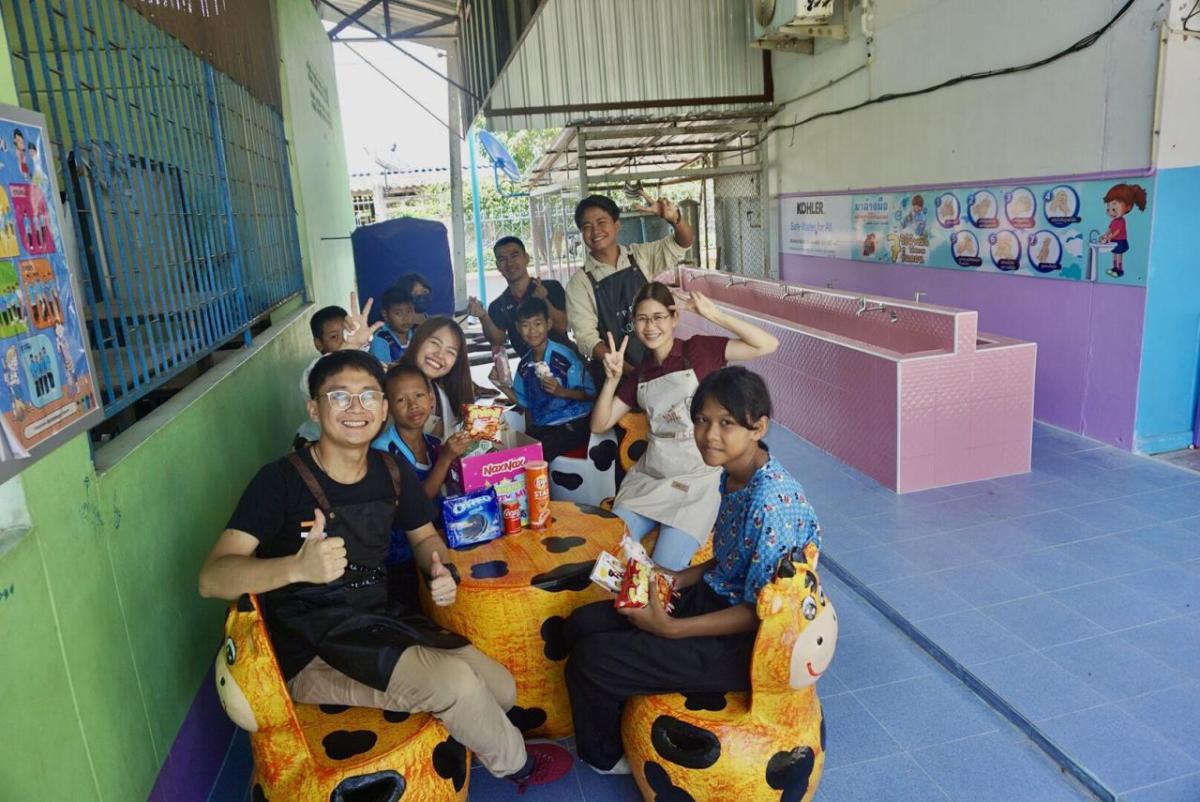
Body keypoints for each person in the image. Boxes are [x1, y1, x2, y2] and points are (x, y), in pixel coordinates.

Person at [199, 350, 572, 790]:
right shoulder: (279, 481)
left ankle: (471, 726)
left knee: (501, 686)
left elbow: (425, 538)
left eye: (368, 396)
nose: (356, 409)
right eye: (340, 396)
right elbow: (212, 578)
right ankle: (519, 767)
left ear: (382, 408)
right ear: (314, 409)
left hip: (374, 620)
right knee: (455, 684)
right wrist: (296, 567)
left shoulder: (391, 472)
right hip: (309, 645)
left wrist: (441, 571)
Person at [564, 366, 821, 775]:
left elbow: (763, 613)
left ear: (758, 427)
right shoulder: (734, 476)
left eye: (726, 423)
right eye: (701, 420)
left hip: (749, 645)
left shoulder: (773, 501)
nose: (709, 434)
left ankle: (607, 758)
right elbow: (736, 559)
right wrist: (675, 577)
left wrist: (669, 629)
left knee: (593, 660)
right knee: (583, 623)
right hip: (717, 599)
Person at [591, 282, 779, 570]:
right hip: (651, 479)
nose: (650, 326)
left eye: (658, 317)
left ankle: (660, 615)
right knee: (610, 548)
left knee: (665, 567)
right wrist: (613, 378)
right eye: (642, 319)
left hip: (698, 482)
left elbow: (768, 344)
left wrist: (714, 314)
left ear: (674, 318)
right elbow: (600, 423)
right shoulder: (641, 373)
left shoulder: (700, 349)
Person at [371, 363, 473, 609]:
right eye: (401, 400)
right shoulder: (384, 451)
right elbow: (417, 502)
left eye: (418, 396)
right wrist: (446, 458)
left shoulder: (431, 442)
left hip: (433, 541)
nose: (413, 405)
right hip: (401, 556)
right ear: (387, 408)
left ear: (431, 399)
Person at [565, 193, 693, 383]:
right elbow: (587, 339)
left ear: (617, 225)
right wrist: (629, 372)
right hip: (616, 377)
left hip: (657, 363)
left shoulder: (639, 256)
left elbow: (683, 243)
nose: (595, 231)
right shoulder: (579, 283)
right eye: (587, 227)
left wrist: (675, 219)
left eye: (601, 222)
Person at [508, 297, 595, 463]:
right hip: (545, 426)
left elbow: (590, 394)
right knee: (516, 452)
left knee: (538, 454)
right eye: (526, 325)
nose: (532, 331)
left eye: (537, 323)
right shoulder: (525, 365)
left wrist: (561, 391)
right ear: (518, 328)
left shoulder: (564, 356)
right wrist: (500, 384)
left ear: (548, 324)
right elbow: (523, 402)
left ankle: (542, 489)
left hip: (574, 423)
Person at [469, 236, 569, 356]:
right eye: (502, 259)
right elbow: (497, 341)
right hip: (531, 370)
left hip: (567, 366)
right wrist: (483, 316)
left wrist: (544, 299)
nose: (509, 263)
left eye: (514, 255)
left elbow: (563, 326)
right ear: (497, 266)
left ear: (526, 258)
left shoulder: (551, 287)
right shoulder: (499, 305)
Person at [398, 316, 474, 439]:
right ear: (418, 340)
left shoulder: (441, 394)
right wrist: (355, 345)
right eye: (435, 343)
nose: (439, 355)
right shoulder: (388, 383)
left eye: (450, 352)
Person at [369, 288, 416, 365]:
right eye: (398, 313)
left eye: (409, 311)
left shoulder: (418, 332)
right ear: (385, 315)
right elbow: (383, 371)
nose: (405, 317)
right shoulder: (381, 339)